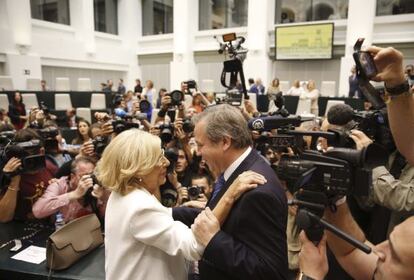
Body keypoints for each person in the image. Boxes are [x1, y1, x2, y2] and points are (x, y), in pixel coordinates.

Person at [96, 129, 266, 280]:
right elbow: (194, 246)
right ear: (138, 168)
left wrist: (180, 209)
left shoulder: (121, 194)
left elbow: (150, 224)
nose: (167, 163)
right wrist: (229, 195)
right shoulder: (139, 206)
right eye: (158, 158)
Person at [173, 104, 288, 280]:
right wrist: (164, 213)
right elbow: (227, 219)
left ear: (225, 142)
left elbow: (271, 272)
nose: (198, 152)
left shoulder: (258, 192)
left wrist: (214, 240)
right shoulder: (238, 170)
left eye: (201, 145)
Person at [32, 156, 108, 223]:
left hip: (89, 232)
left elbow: (107, 218)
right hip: (60, 232)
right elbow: (38, 211)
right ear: (72, 177)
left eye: (91, 175)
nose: (89, 179)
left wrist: (104, 199)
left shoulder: (97, 186)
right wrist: (75, 194)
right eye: (84, 176)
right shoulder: (59, 185)